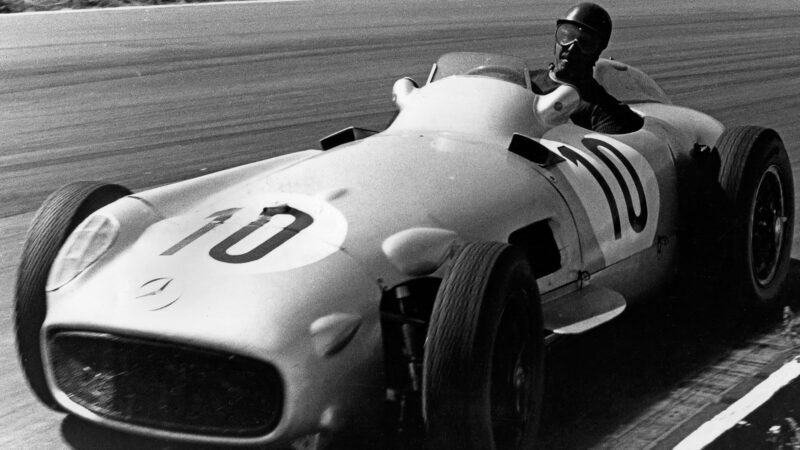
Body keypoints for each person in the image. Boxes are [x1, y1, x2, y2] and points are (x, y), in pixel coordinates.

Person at [530, 2, 644, 134]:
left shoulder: (606, 112)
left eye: (586, 42)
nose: (572, 49)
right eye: (566, 36)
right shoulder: (525, 81)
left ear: (598, 51)